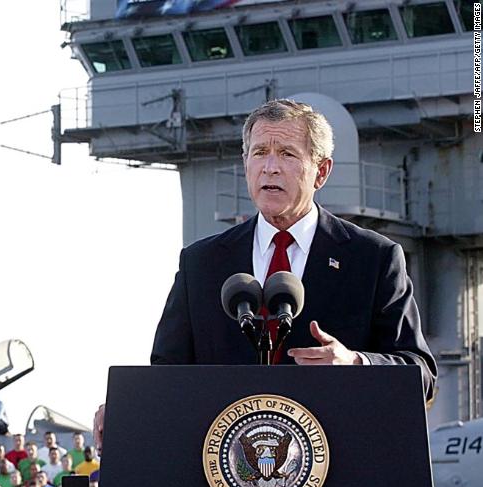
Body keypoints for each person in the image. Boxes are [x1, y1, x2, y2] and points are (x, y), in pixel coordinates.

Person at [149, 99, 436, 391]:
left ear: (321, 172)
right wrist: (126, 409)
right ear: (246, 163)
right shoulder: (201, 263)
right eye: (260, 152)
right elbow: (165, 372)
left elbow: (421, 373)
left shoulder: (374, 259)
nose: (270, 168)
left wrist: (355, 363)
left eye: (287, 154)